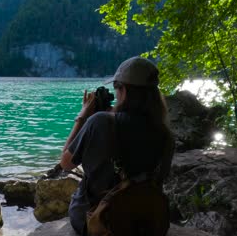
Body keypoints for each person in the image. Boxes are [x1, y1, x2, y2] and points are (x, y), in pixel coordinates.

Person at [59, 56, 175, 235]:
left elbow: (66, 163)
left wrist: (82, 117)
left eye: (116, 88)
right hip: (148, 221)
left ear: (125, 91)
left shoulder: (100, 122)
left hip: (102, 220)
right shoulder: (165, 133)